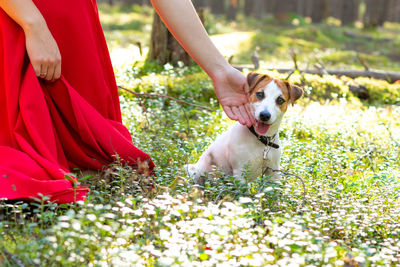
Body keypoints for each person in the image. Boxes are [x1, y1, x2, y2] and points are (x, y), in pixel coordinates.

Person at [0, 0, 254, 203]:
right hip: (17, 19)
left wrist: (219, 69)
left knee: (105, 161)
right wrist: (32, 24)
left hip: (75, 34)